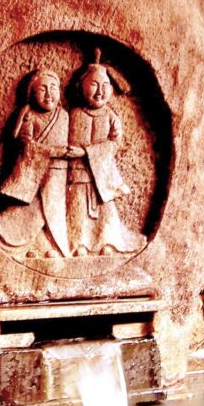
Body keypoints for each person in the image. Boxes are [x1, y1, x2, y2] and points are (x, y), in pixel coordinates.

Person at [0, 68, 72, 257]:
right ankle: (24, 242)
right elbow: (27, 144)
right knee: (31, 208)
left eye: (53, 88)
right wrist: (53, 151)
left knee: (53, 211)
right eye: (42, 89)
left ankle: (51, 246)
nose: (48, 94)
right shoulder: (29, 115)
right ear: (31, 93)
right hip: (34, 171)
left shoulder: (64, 116)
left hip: (58, 172)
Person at [66, 51, 147, 256]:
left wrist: (86, 151)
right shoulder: (74, 115)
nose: (99, 92)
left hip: (103, 174)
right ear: (81, 86)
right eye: (94, 85)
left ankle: (107, 242)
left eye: (105, 86)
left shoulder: (111, 116)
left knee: (106, 211)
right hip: (78, 174)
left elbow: (114, 142)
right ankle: (78, 243)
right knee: (78, 208)